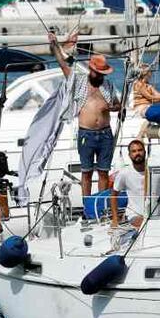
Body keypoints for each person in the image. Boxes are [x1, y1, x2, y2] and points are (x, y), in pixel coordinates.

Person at [49, 31, 122, 198]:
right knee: (87, 172)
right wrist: (54, 45)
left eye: (103, 73)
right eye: (99, 73)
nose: (101, 76)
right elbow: (63, 64)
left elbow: (118, 105)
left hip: (105, 133)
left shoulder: (108, 85)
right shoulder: (79, 80)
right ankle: (88, 207)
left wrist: (113, 108)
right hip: (86, 133)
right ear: (91, 70)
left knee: (103, 172)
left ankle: (101, 206)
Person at [111, 140, 160, 229]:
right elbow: (114, 196)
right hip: (135, 215)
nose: (137, 153)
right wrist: (115, 219)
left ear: (144, 152)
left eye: (140, 150)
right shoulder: (124, 173)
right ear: (129, 155)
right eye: (134, 151)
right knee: (146, 225)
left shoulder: (157, 169)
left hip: (158, 213)